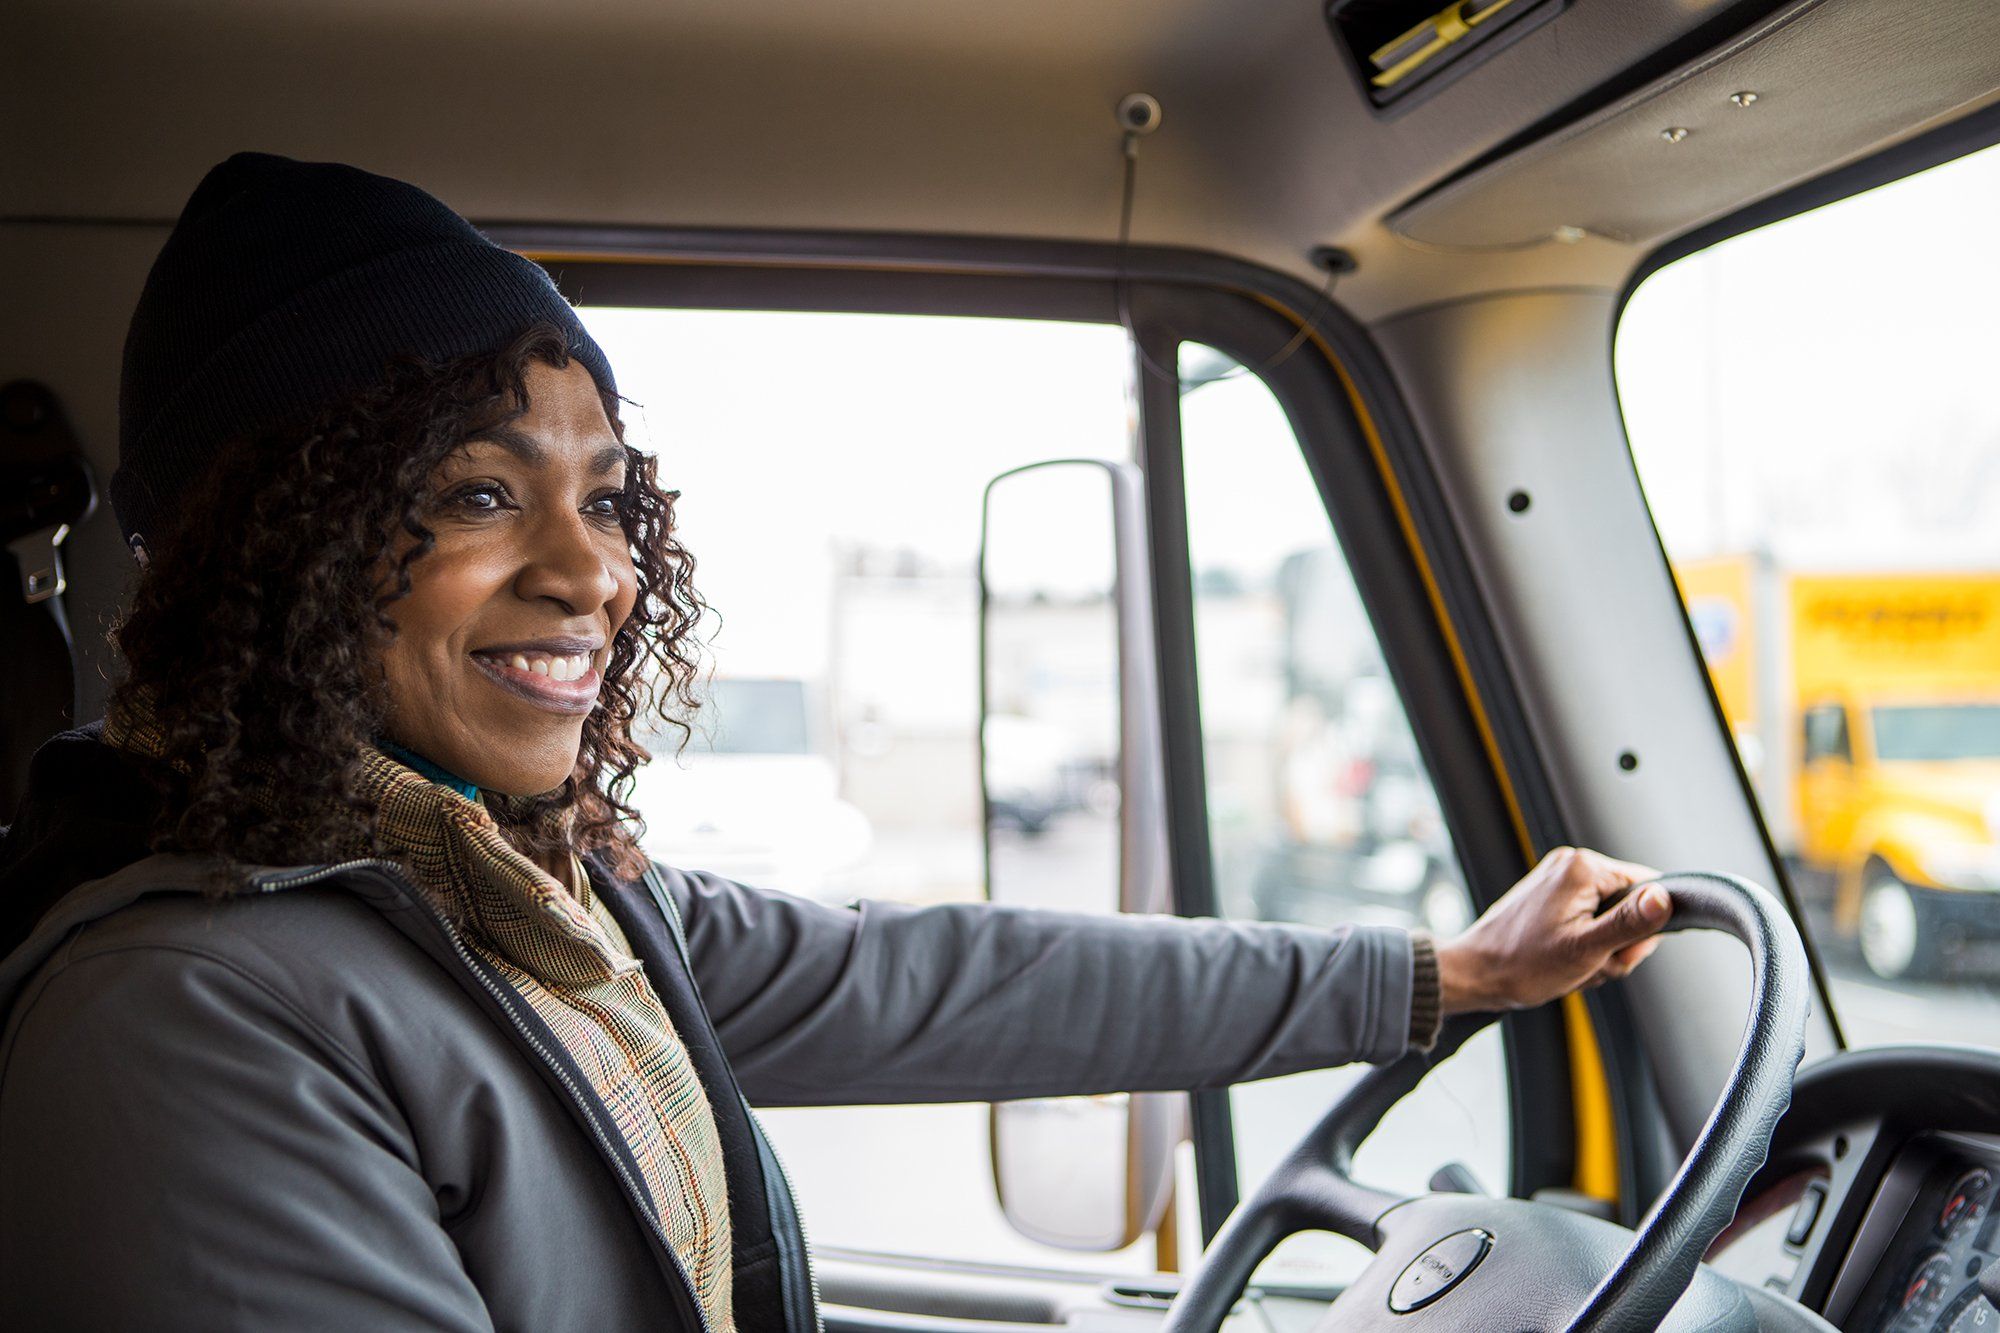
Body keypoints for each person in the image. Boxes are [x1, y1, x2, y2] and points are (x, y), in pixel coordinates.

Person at [0, 154, 1671, 1331]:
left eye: (604, 494)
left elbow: (949, 979)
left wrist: (1440, 981)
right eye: (479, 492)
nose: (592, 570)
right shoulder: (178, 1023)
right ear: (271, 545)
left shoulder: (528, 900)